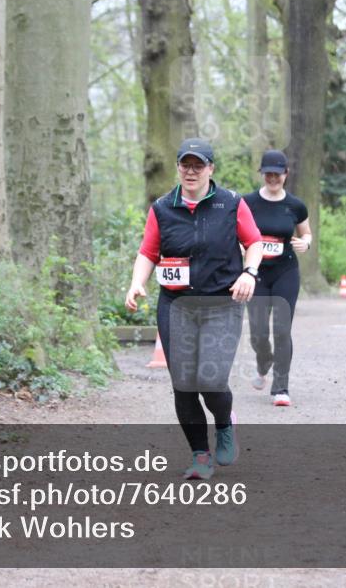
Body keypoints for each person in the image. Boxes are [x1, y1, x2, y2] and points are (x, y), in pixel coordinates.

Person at [125, 138, 263, 480]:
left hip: (221, 303)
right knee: (184, 383)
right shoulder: (162, 207)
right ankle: (200, 455)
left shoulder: (231, 203)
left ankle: (224, 422)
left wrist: (249, 272)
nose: (191, 171)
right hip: (177, 305)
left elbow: (254, 242)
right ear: (177, 168)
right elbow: (148, 252)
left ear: (210, 169)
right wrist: (136, 282)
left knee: (211, 379)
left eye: (198, 165)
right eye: (185, 164)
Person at [243, 150, 311, 407]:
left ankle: (280, 388)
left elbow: (307, 234)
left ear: (286, 174)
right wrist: (241, 247)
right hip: (256, 273)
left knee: (282, 330)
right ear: (262, 174)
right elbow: (237, 233)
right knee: (258, 333)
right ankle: (264, 361)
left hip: (286, 272)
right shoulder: (247, 203)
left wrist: (306, 243)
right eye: (268, 173)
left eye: (277, 173)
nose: (272, 178)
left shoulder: (295, 205)